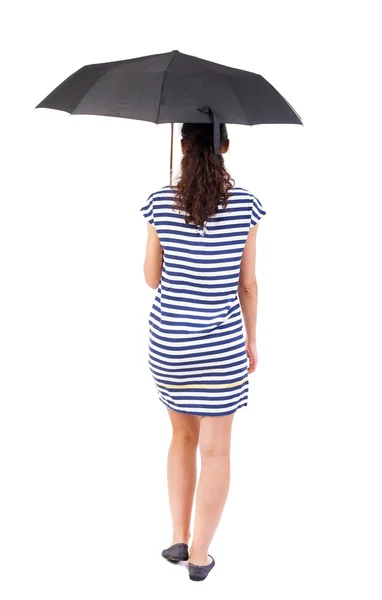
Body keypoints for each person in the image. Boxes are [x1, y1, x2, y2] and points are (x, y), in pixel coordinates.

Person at [140, 122, 266, 581]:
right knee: (216, 451)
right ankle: (199, 555)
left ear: (182, 145)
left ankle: (177, 533)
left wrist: (163, 222)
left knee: (181, 437)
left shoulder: (161, 201)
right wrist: (251, 340)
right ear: (225, 147)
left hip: (169, 347)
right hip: (220, 349)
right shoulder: (245, 204)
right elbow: (247, 284)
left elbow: (152, 278)